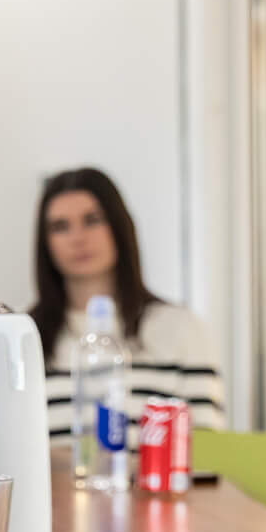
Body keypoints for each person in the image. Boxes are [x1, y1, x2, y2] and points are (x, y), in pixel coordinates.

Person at [30, 167, 223, 437]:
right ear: (45, 242)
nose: (78, 238)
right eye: (60, 227)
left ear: (119, 226)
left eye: (92, 219)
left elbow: (206, 450)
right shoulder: (25, 337)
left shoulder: (180, 329)